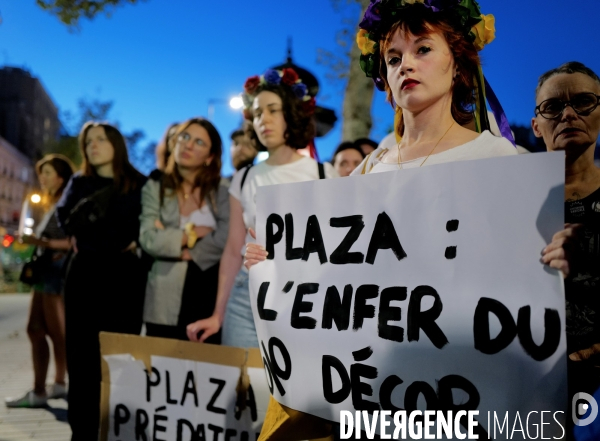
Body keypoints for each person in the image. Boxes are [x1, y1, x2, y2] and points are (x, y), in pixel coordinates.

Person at [245, 1, 520, 439]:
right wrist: (273, 263)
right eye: (393, 58)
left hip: (453, 391)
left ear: (459, 65)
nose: (406, 64)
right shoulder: (370, 169)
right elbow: (331, 274)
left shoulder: (498, 159)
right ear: (385, 82)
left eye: (423, 49)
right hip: (371, 389)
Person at [186, 67, 337, 348]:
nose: (263, 120)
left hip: (305, 298)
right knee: (244, 385)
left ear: (291, 113)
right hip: (247, 296)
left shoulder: (322, 174)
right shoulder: (243, 178)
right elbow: (233, 250)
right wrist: (218, 314)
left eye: (272, 110)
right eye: (256, 113)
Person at [56, 122, 147, 440]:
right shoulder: (79, 182)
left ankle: (117, 430)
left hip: (124, 278)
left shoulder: (139, 183)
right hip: (84, 274)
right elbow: (64, 220)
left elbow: (142, 230)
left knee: (120, 353)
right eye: (88, 141)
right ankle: (81, 432)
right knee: (81, 359)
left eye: (100, 139)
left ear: (116, 144)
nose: (93, 145)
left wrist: (127, 240)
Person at [533, 61, 600, 439]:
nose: (569, 114)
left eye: (584, 102)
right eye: (553, 107)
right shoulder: (501, 203)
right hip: (523, 385)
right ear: (536, 124)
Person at [140, 117, 229, 343]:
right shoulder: (155, 186)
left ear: (211, 157)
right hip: (163, 294)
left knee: (203, 368)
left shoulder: (223, 190)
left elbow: (228, 237)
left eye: (199, 142)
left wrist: (189, 251)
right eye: (185, 137)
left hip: (208, 290)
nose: (188, 145)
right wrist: (192, 233)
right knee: (162, 365)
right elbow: (149, 238)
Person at [5, 155, 74, 409]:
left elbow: (72, 241)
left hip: (55, 272)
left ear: (61, 177)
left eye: (47, 172)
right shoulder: (50, 203)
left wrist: (39, 242)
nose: (42, 178)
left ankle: (50, 387)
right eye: (41, 173)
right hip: (46, 272)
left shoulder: (66, 204)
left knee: (56, 333)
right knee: (38, 330)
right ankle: (50, 386)